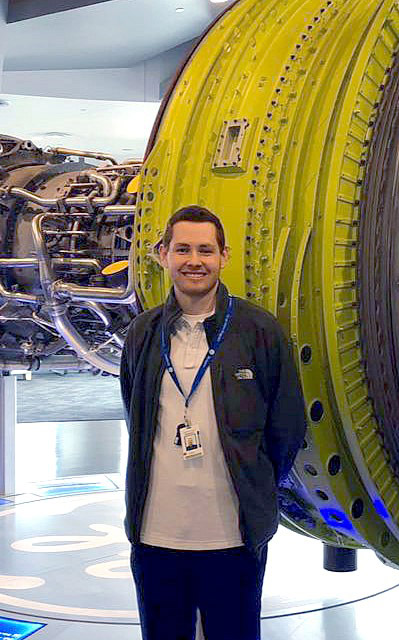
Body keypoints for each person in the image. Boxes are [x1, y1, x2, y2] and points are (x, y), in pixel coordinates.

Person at [119, 205, 307, 640]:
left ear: (224, 256)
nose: (194, 261)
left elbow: (286, 427)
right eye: (182, 249)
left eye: (206, 250)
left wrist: (252, 480)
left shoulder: (259, 331)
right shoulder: (144, 334)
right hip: (155, 534)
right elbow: (136, 415)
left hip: (232, 536)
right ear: (163, 255)